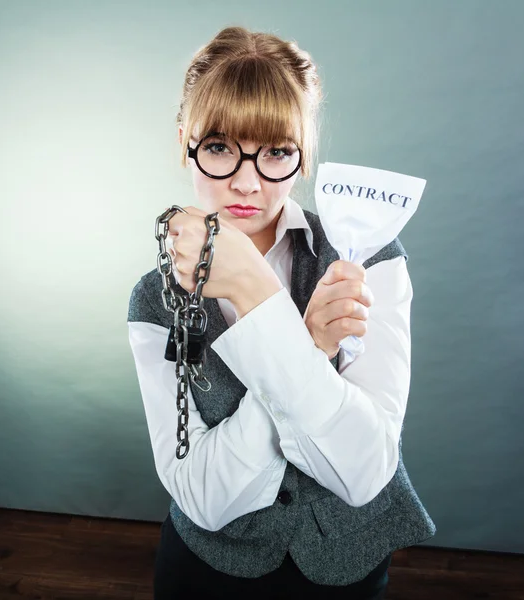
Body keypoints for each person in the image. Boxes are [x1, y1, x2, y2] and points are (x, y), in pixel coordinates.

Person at [127, 25, 436, 600]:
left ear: (303, 155)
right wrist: (306, 343)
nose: (247, 181)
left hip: (347, 568)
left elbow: (367, 472)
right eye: (219, 147)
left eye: (276, 151)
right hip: (208, 573)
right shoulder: (156, 297)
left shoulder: (366, 258)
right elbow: (202, 497)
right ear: (184, 144)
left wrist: (257, 303)